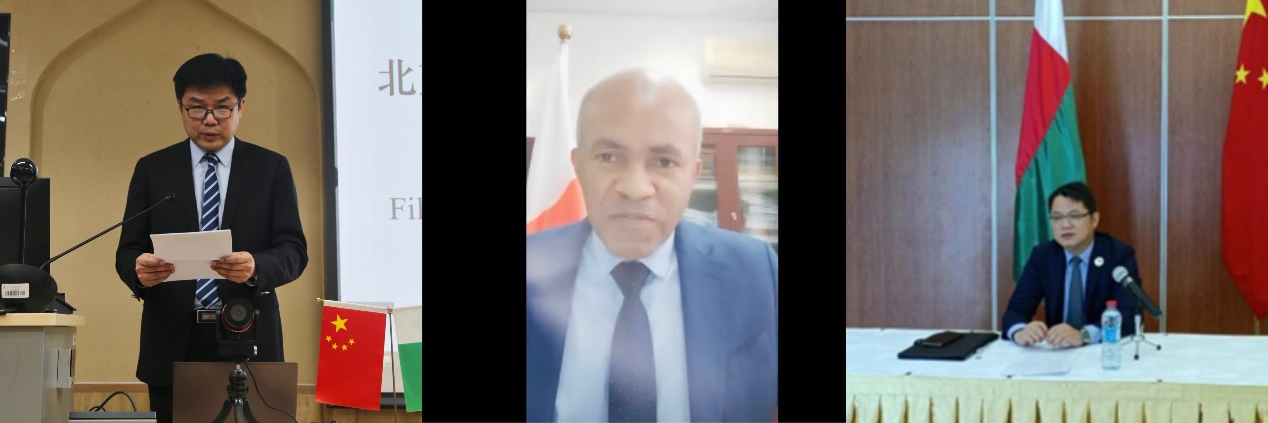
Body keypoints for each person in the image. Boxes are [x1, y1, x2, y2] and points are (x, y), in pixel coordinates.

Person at [526, 69, 778, 422]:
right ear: (578, 166)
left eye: (664, 162)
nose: (635, 188)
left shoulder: (756, 271)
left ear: (693, 174)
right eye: (608, 157)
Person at [114, 53, 308, 422]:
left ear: (241, 106)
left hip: (248, 331)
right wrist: (138, 270)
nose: (209, 119)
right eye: (196, 108)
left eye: (222, 107)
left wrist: (256, 266)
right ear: (180, 107)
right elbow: (128, 250)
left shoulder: (270, 168)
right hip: (172, 337)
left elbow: (294, 251)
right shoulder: (153, 169)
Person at [1002, 181, 1142, 348]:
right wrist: (1019, 332)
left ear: (1094, 220)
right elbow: (1016, 309)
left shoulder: (1117, 255)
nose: (1065, 225)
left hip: (1101, 351)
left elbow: (1130, 315)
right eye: (1057, 218)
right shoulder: (1043, 256)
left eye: (1074, 216)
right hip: (1058, 351)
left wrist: (1084, 335)